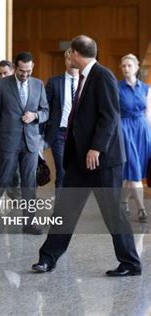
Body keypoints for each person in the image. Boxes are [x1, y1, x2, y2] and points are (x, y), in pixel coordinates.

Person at [32, 35, 142, 277]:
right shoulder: (84, 76)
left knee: (112, 212)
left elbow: (110, 116)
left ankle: (131, 264)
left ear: (75, 53)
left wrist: (96, 148)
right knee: (65, 209)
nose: (68, 57)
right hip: (79, 160)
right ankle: (48, 259)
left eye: (69, 53)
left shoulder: (102, 76)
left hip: (103, 159)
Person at [0, 52, 49, 235]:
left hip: (31, 142)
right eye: (21, 71)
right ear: (15, 68)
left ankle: (29, 223)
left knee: (29, 183)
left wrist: (35, 116)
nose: (25, 74)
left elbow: (45, 112)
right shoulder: (2, 85)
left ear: (32, 67)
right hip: (7, 141)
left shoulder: (38, 84)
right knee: (2, 179)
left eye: (28, 70)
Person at [118, 53, 151, 223]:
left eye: (129, 65)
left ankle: (123, 202)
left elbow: (149, 114)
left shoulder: (146, 88)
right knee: (135, 173)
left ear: (137, 67)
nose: (125, 69)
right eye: (123, 66)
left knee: (132, 173)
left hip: (142, 130)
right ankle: (142, 209)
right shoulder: (116, 87)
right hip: (125, 129)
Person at [44, 48, 79, 188]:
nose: (72, 62)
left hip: (80, 135)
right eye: (69, 59)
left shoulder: (87, 82)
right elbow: (46, 107)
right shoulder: (54, 82)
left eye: (74, 59)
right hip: (59, 133)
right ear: (65, 61)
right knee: (62, 171)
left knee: (77, 172)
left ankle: (73, 207)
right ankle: (60, 208)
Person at [0, 60, 21, 200]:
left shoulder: (22, 87)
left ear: (13, 71)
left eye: (5, 73)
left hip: (17, 137)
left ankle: (15, 198)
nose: (2, 76)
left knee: (15, 173)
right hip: (0, 137)